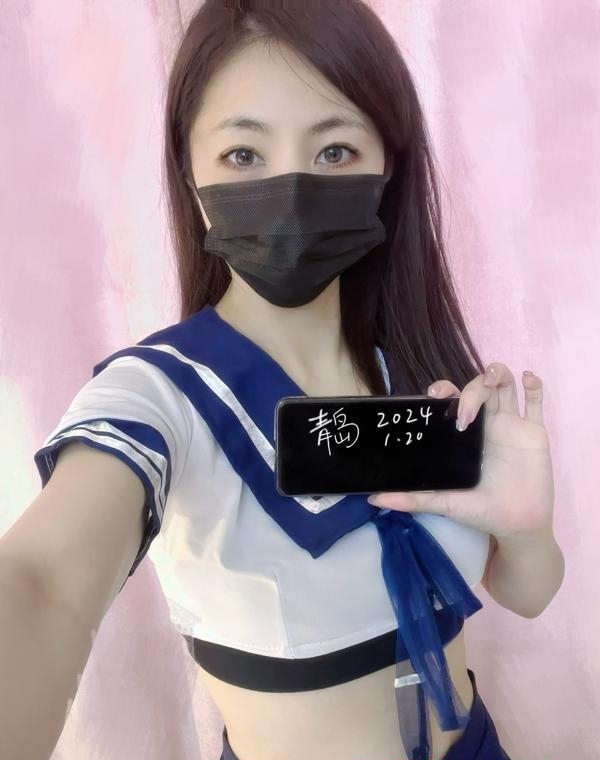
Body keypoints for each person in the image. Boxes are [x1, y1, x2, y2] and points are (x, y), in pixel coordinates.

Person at [0, 2, 564, 760]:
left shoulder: (418, 371)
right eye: (243, 154)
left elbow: (528, 593)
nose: (291, 192)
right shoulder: (157, 399)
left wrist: (525, 530)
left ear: (386, 167)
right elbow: (41, 585)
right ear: (188, 167)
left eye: (335, 151)